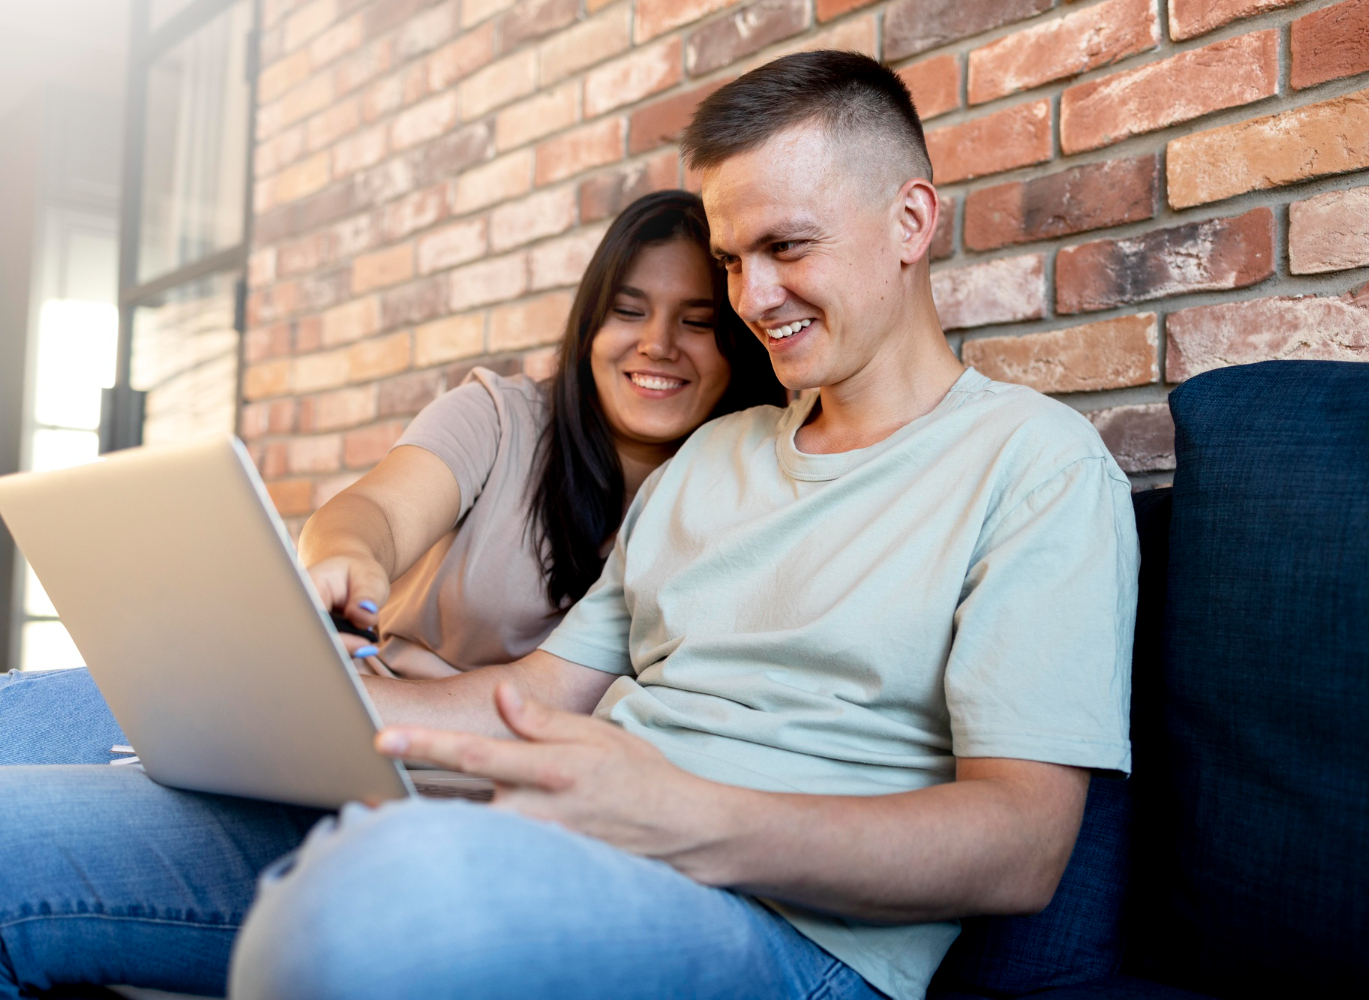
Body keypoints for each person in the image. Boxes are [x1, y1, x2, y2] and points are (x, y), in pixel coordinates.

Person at [0, 52, 1135, 1000]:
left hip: (787, 933)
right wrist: (263, 704)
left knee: (362, 910)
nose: (753, 298)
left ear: (911, 220)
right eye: (734, 261)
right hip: (539, 839)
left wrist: (686, 816)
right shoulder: (712, 459)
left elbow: (1024, 844)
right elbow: (536, 697)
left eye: (787, 249)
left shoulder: (1035, 466)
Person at [0, 189, 784, 765]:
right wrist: (350, 557)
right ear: (589, 326)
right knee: (24, 721)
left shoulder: (738, 492)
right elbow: (375, 510)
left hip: (468, 787)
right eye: (628, 311)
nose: (657, 344)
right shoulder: (504, 417)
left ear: (741, 344)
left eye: (697, 322)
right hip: (344, 714)